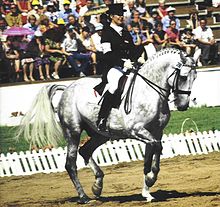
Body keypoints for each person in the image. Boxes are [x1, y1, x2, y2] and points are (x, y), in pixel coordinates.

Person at [95, 3, 144, 131]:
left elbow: (132, 49)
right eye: (118, 15)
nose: (121, 17)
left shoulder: (125, 32)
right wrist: (122, 63)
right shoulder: (106, 33)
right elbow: (107, 55)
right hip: (112, 67)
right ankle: (102, 118)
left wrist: (138, 57)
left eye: (122, 15)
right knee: (114, 86)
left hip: (128, 65)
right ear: (111, 16)